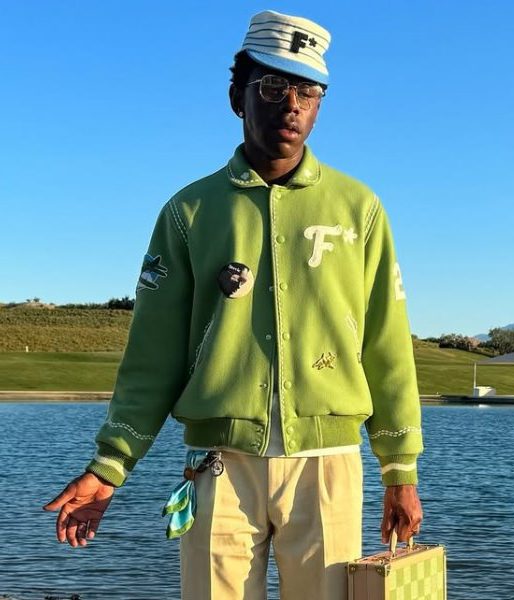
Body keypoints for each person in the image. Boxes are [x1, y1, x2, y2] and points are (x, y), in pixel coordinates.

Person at [44, 10, 423, 600]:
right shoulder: (188, 212)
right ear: (236, 97)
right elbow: (153, 354)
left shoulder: (360, 209)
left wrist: (400, 471)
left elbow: (386, 343)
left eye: (308, 92)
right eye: (272, 87)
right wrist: (110, 464)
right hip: (216, 468)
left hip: (327, 466)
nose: (291, 105)